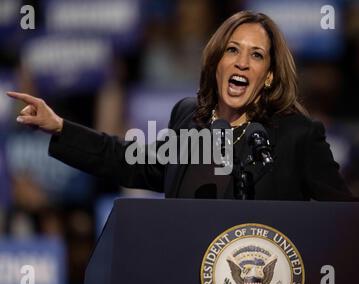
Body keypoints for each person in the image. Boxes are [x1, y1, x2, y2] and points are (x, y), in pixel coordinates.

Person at [7, 11, 356, 201]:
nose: (241, 63)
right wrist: (61, 128)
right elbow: (129, 161)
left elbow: (341, 219)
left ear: (268, 75)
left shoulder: (298, 133)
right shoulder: (189, 118)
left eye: (256, 55)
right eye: (232, 50)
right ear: (216, 62)